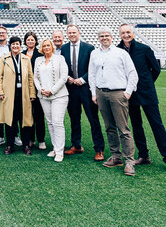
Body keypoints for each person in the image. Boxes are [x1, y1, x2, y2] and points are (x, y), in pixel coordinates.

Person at [118, 24, 166, 175]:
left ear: (133, 33)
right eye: (123, 33)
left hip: (147, 93)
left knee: (157, 125)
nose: (126, 35)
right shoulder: (117, 50)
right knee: (136, 126)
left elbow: (156, 69)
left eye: (128, 32)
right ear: (119, 34)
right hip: (129, 94)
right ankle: (143, 155)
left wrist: (146, 84)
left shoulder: (144, 49)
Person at [89, 27, 139, 176]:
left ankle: (129, 161)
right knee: (109, 127)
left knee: (123, 129)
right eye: (101, 36)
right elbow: (92, 74)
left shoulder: (121, 53)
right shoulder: (94, 54)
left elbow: (132, 73)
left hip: (118, 93)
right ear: (98, 38)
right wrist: (94, 94)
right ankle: (116, 156)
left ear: (111, 37)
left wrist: (128, 92)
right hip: (101, 93)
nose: (104, 38)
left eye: (107, 36)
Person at [62, 24, 105, 161]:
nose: (72, 34)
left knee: (93, 119)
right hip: (71, 89)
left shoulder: (89, 48)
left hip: (86, 89)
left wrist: (82, 79)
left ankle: (99, 149)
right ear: (67, 34)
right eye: (70, 33)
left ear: (79, 33)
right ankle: (76, 145)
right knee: (74, 118)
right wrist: (68, 77)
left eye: (74, 32)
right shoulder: (63, 49)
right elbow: (63, 68)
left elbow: (93, 68)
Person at [0, 36, 36, 155]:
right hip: (9, 94)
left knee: (24, 121)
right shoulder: (4, 58)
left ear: (20, 45)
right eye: (13, 44)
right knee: (10, 121)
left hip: (23, 94)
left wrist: (32, 93)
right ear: (10, 46)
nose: (15, 46)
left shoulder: (26, 59)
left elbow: (30, 77)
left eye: (17, 44)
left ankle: (26, 145)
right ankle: (9, 145)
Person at [33, 38, 69, 162]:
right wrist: (41, 89)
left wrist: (52, 90)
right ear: (41, 48)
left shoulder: (60, 58)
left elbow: (64, 77)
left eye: (48, 45)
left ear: (52, 47)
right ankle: (55, 148)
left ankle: (60, 151)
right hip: (43, 96)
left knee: (57, 122)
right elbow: (35, 78)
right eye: (44, 46)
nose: (46, 47)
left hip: (59, 95)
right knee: (50, 122)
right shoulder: (38, 60)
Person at [24, 32, 46, 150]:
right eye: (28, 40)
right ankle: (30, 139)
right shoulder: (22, 54)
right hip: (25, 89)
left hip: (38, 88)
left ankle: (41, 139)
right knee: (27, 115)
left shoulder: (40, 54)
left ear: (36, 41)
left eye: (32, 40)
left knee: (38, 115)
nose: (30, 42)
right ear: (25, 41)